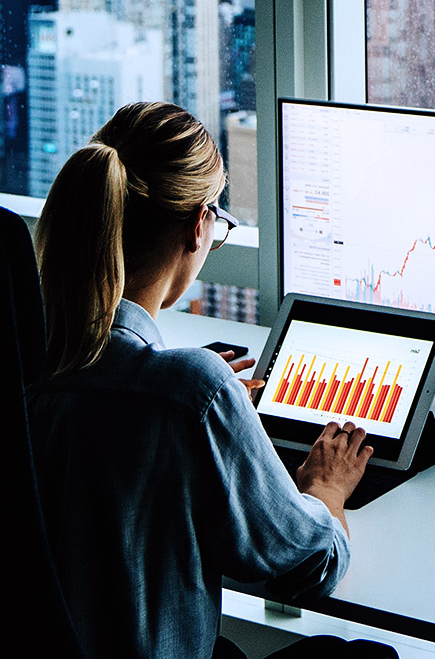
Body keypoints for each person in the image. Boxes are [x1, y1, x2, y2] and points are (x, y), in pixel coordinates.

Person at [26, 102, 389, 658]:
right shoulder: (193, 391)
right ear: (199, 226)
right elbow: (307, 569)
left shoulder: (30, 355)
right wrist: (327, 489)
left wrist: (203, 415)